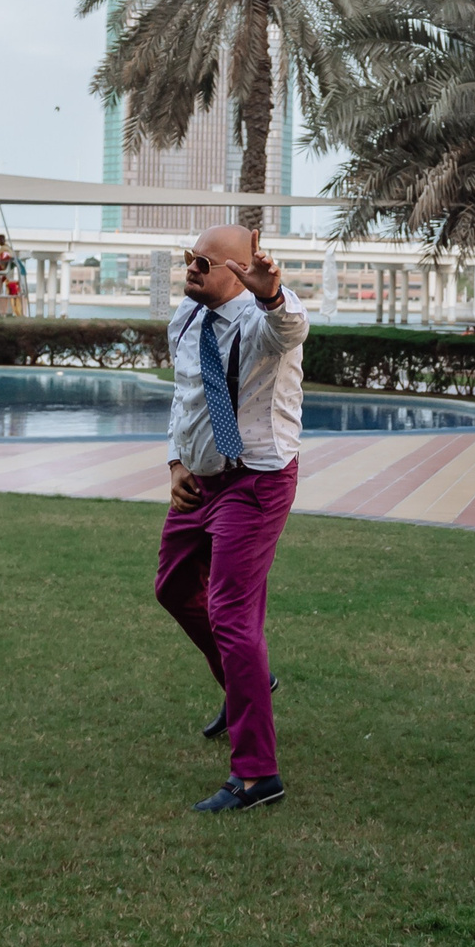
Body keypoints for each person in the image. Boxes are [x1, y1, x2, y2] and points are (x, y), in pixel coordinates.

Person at [158, 223, 307, 813]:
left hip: (256, 481)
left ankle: (256, 775)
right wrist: (175, 462)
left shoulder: (263, 321)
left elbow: (290, 325)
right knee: (172, 589)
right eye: (188, 258)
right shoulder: (187, 318)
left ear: (238, 271)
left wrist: (271, 294)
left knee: (230, 615)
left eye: (204, 262)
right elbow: (186, 397)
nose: (191, 270)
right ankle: (247, 683)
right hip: (201, 479)